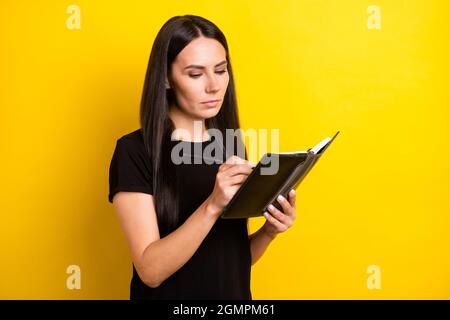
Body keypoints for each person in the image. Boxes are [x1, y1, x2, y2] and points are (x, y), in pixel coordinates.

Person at [108, 15, 297, 300]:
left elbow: (230, 261)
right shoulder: (134, 151)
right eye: (195, 74)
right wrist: (212, 206)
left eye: (220, 70)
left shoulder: (231, 147)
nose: (214, 86)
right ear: (166, 79)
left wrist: (268, 232)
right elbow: (150, 271)